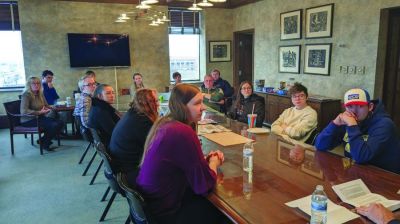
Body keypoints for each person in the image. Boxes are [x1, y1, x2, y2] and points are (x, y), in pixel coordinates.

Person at [136, 84, 227, 224]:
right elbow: (204, 186)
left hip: (150, 204)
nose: (203, 107)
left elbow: (181, 164)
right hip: (166, 212)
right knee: (225, 215)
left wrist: (203, 161)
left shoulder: (166, 123)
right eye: (197, 103)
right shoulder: (182, 131)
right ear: (182, 106)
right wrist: (214, 162)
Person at [315, 88, 400, 174]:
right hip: (356, 170)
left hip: (385, 177)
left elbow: (361, 157)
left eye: (360, 106)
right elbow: (320, 145)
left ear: (370, 106)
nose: (354, 111)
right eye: (350, 106)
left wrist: (352, 126)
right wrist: (335, 124)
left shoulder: (384, 124)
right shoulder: (348, 119)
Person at [110, 88, 159, 187]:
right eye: (156, 101)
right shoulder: (143, 121)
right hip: (130, 171)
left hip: (122, 166)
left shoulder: (133, 113)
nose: (158, 104)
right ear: (147, 103)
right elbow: (155, 149)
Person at [20, 76, 64, 151]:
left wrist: (53, 107)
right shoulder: (26, 95)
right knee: (53, 125)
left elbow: (46, 105)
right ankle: (45, 144)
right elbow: (23, 111)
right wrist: (39, 112)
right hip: (28, 120)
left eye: (38, 83)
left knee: (60, 123)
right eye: (33, 83)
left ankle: (42, 140)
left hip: (40, 118)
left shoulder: (40, 93)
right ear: (29, 85)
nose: (36, 85)